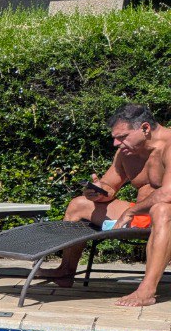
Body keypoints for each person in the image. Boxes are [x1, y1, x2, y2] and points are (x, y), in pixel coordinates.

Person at [38, 103, 171, 307]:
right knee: (78, 204)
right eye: (115, 138)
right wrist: (97, 191)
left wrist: (131, 211)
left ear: (145, 128)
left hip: (164, 213)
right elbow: (110, 186)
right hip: (141, 213)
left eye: (122, 137)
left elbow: (168, 193)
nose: (116, 143)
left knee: (162, 208)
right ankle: (66, 271)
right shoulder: (127, 152)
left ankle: (147, 290)